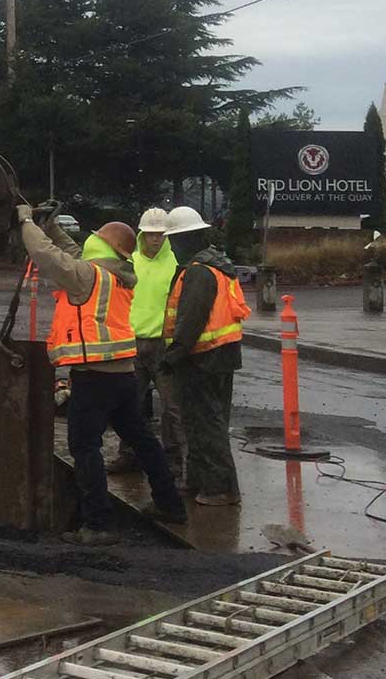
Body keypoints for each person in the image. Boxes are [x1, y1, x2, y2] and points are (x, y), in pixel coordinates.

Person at [18, 205, 188, 546]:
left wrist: (25, 221)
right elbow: (69, 252)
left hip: (93, 375)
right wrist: (51, 227)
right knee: (142, 439)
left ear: (104, 247)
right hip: (122, 374)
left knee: (84, 446)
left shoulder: (88, 277)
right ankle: (170, 504)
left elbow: (46, 256)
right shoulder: (115, 273)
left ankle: (97, 524)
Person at [160, 204, 250, 506]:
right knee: (203, 422)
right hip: (221, 355)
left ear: (185, 240)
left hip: (202, 358)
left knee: (206, 424)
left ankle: (220, 488)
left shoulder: (199, 272)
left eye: (173, 241)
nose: (171, 247)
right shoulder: (219, 265)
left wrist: (172, 357)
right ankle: (198, 481)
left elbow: (190, 320)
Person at [108, 208, 183, 475]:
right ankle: (129, 454)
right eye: (150, 234)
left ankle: (174, 459)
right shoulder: (132, 263)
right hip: (133, 341)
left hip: (163, 345)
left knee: (172, 407)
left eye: (160, 234)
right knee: (130, 404)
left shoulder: (175, 265)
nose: (155, 239)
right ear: (142, 234)